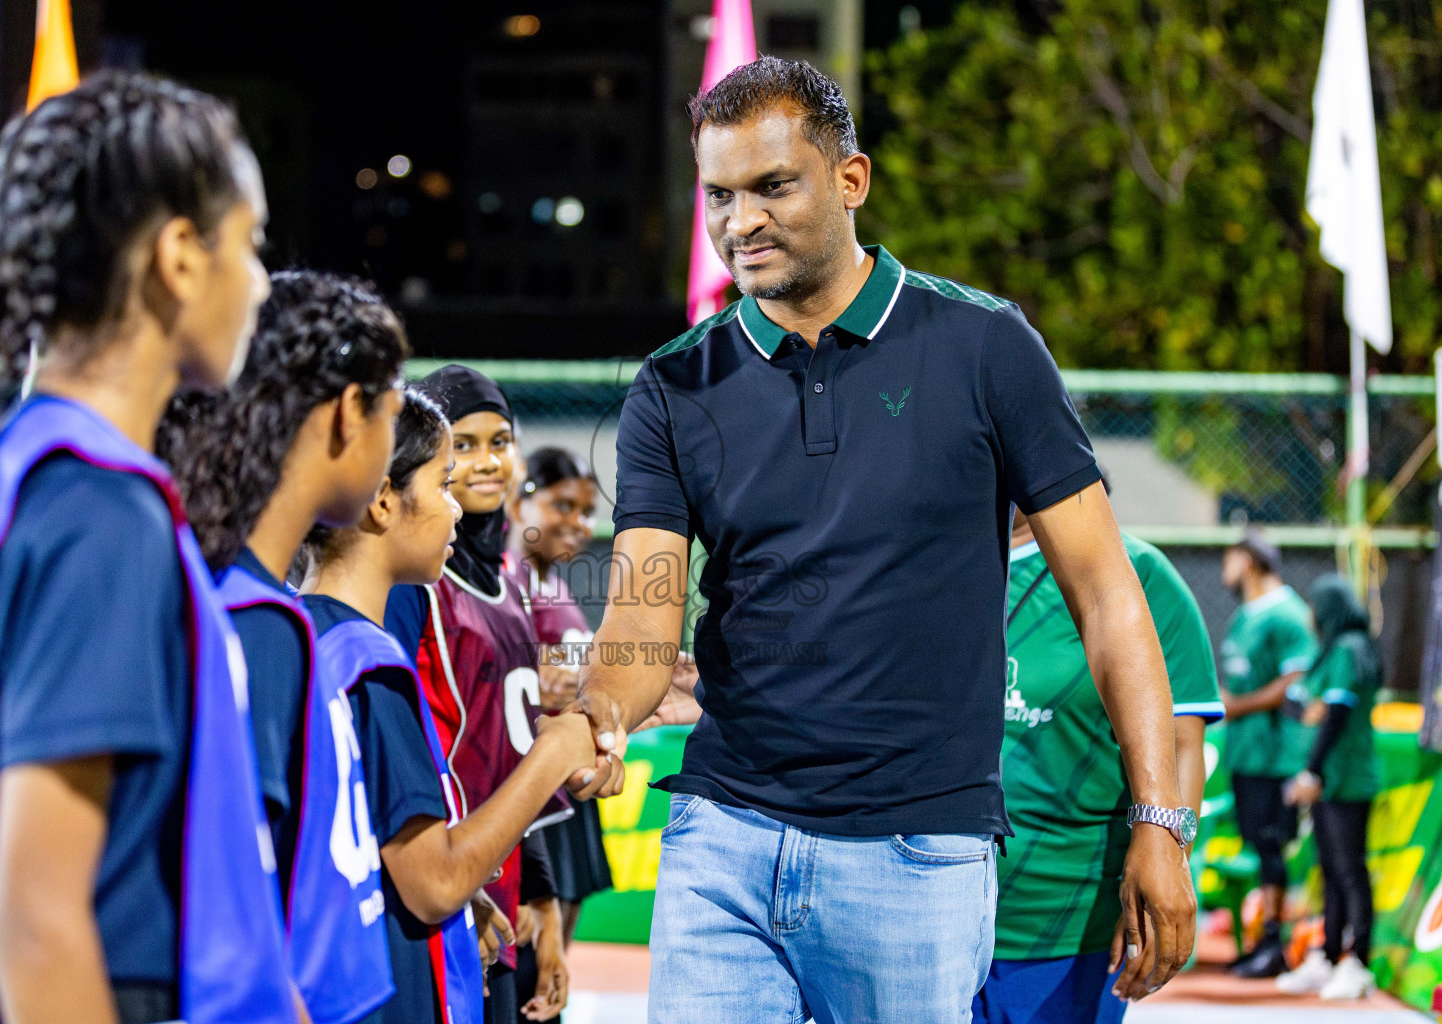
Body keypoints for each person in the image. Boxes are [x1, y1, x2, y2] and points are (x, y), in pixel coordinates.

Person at [566, 56, 1197, 1023]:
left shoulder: (986, 346)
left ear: (850, 179)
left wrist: (1160, 823)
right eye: (720, 195)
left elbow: (1110, 599)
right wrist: (602, 715)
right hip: (723, 840)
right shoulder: (672, 386)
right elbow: (644, 615)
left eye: (774, 186)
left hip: (918, 857)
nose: (741, 223)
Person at [0, 73, 298, 1024]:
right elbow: (36, 921)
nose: (258, 284)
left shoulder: (44, 477)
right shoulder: (99, 516)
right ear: (178, 257)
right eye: (248, 246)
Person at [157, 271, 409, 1024]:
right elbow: (233, 906)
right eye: (392, 414)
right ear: (345, 415)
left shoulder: (244, 599)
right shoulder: (253, 623)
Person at [299, 389, 598, 1024]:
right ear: (382, 498)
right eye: (443, 482)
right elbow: (432, 882)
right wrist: (551, 755)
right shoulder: (370, 663)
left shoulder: (302, 636)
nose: (456, 506)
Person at [974, 504, 1222, 1024]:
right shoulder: (937, 563)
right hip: (920, 911)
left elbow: (1182, 742)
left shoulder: (1138, 575)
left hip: (1062, 926)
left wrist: (1167, 856)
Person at [386, 367, 571, 1024]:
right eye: (462, 446)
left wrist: (545, 895)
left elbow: (507, 743)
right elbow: (410, 753)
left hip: (505, 877)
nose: (488, 461)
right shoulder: (414, 582)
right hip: (444, 876)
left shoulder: (512, 577)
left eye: (501, 440)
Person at [504, 447, 616, 946]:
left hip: (568, 783)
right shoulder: (502, 580)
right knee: (527, 960)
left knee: (555, 963)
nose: (578, 522)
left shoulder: (555, 586)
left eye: (587, 511)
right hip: (531, 785)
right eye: (562, 505)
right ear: (522, 501)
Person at [1276, 574, 1381, 1000]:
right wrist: (1308, 710)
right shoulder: (1331, 650)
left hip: (1345, 779)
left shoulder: (1350, 648)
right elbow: (1297, 703)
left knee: (1349, 869)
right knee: (1331, 870)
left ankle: (1359, 964)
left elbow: (1333, 715)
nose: (1310, 614)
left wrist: (1311, 773)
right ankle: (1329, 953)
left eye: (1315, 604)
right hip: (1328, 783)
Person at [1218, 531, 1318, 978]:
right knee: (1259, 846)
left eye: (1230, 558)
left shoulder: (1290, 615)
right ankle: (1260, 939)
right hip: (1247, 753)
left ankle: (1276, 944)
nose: (1224, 568)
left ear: (1250, 562)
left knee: (1274, 846)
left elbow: (1295, 681)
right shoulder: (1245, 616)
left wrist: (1235, 706)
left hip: (1277, 755)